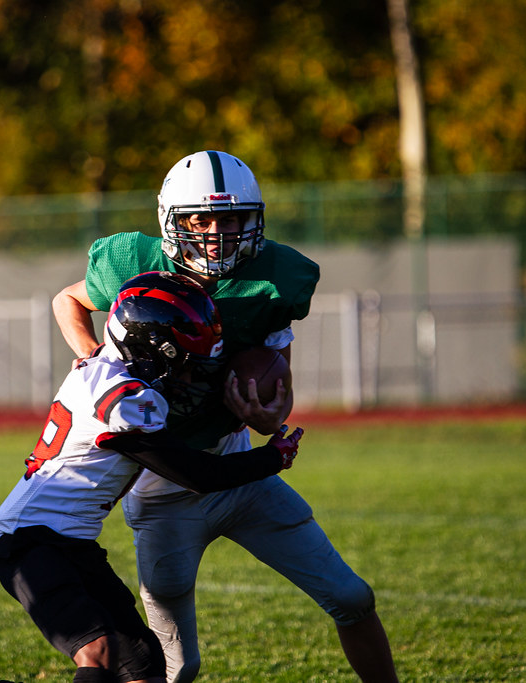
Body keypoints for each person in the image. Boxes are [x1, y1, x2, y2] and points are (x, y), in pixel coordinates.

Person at [52, 151, 399, 682]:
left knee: (353, 597)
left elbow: (277, 400)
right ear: (174, 219)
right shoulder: (131, 262)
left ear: (252, 219)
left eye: (231, 218)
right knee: (174, 668)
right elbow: (67, 301)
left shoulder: (274, 281)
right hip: (163, 488)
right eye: (201, 219)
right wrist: (89, 353)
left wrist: (264, 412)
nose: (217, 232)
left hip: (238, 471)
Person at [0, 271, 305, 683]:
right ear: (151, 347)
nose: (195, 370)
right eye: (186, 358)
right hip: (29, 541)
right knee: (97, 653)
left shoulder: (104, 367)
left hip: (73, 543)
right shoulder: (124, 399)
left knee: (143, 666)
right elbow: (196, 474)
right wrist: (271, 458)